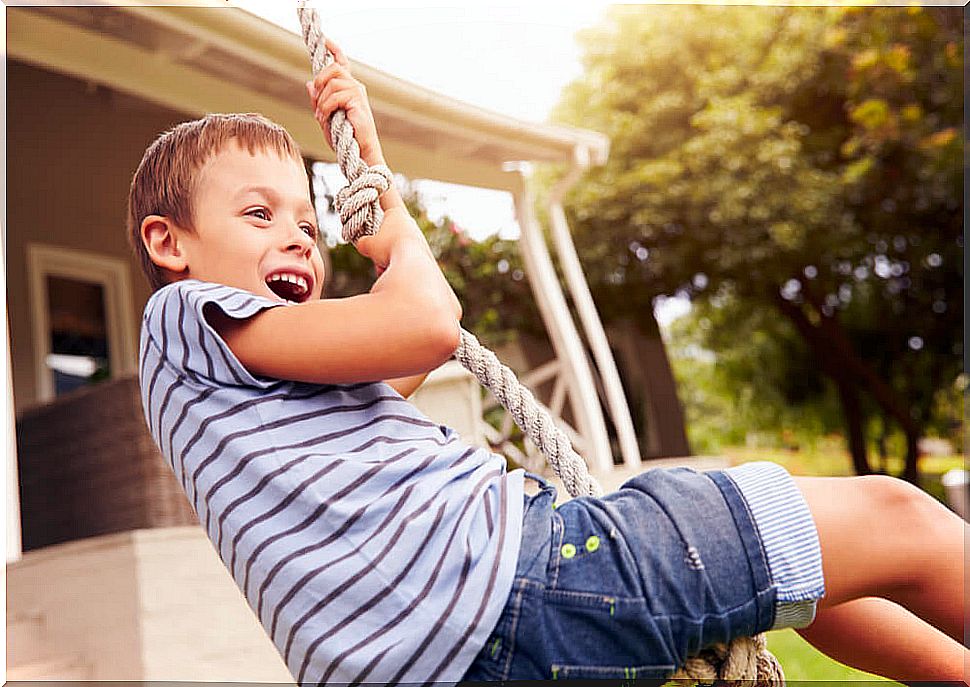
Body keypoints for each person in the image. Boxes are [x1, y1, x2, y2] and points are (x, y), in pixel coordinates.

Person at [131, 39, 967, 684]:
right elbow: (426, 320)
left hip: (456, 650)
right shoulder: (185, 317)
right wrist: (389, 215)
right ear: (168, 242)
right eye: (257, 212)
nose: (297, 236)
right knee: (900, 517)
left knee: (803, 571)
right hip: (514, 592)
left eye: (308, 224)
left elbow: (394, 361)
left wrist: (374, 166)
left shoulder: (258, 400)